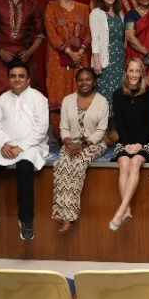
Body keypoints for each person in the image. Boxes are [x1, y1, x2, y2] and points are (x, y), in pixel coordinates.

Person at [0, 61, 49, 241]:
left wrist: (21, 147)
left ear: (28, 79)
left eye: (21, 76)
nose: (17, 79)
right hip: (5, 145)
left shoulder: (38, 98)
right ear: (8, 79)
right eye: (13, 76)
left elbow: (41, 128)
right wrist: (3, 145)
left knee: (23, 166)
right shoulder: (2, 99)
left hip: (31, 145)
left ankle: (26, 220)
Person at [51, 68, 108, 233]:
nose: (84, 83)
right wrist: (69, 144)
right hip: (70, 143)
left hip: (93, 144)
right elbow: (63, 128)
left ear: (94, 81)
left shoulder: (102, 101)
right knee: (61, 164)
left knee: (77, 164)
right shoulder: (67, 100)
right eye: (81, 80)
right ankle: (59, 211)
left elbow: (101, 131)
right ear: (76, 82)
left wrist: (82, 145)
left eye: (88, 79)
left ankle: (71, 216)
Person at [109, 58, 149, 230]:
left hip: (146, 142)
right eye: (131, 71)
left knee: (135, 162)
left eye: (138, 71)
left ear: (142, 74)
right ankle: (127, 209)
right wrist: (128, 143)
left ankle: (121, 210)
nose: (134, 75)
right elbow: (119, 124)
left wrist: (139, 144)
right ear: (126, 73)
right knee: (124, 162)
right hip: (125, 141)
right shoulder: (117, 94)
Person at [44, 0, 91, 140]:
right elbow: (51, 33)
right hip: (58, 59)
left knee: (81, 92)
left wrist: (80, 52)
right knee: (59, 95)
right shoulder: (51, 7)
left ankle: (82, 134)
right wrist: (69, 52)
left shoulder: (84, 8)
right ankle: (62, 136)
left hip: (80, 58)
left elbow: (89, 32)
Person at [90, 0, 125, 121]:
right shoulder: (96, 13)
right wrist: (97, 61)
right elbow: (95, 38)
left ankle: (114, 128)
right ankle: (102, 130)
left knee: (117, 94)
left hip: (120, 60)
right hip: (105, 61)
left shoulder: (120, 14)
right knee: (104, 95)